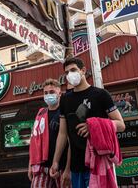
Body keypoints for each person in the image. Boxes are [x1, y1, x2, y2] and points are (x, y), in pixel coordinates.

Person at [50, 57, 126, 188]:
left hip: (98, 162)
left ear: (83, 70)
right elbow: (63, 134)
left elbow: (121, 125)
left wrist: (94, 126)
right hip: (76, 165)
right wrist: (56, 161)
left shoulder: (101, 95)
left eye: (73, 70)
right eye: (67, 73)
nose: (70, 75)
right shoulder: (65, 100)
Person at [28, 79, 70, 188]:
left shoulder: (65, 112)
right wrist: (30, 165)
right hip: (41, 167)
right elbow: (34, 141)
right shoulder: (41, 113)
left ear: (59, 93)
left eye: (52, 92)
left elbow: (70, 142)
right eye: (46, 93)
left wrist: (68, 169)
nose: (48, 95)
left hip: (61, 166)